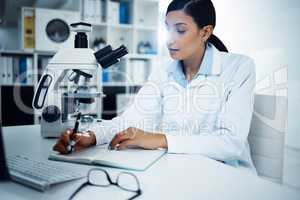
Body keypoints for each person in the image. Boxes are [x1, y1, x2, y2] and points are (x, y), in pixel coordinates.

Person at [53, 0, 257, 174]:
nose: (170, 39)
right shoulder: (163, 72)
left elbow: (231, 143)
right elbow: (130, 120)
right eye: (167, 28)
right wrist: (92, 135)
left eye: (180, 30)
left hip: (225, 175)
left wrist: (160, 139)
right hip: (178, 169)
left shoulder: (239, 67)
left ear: (205, 32)